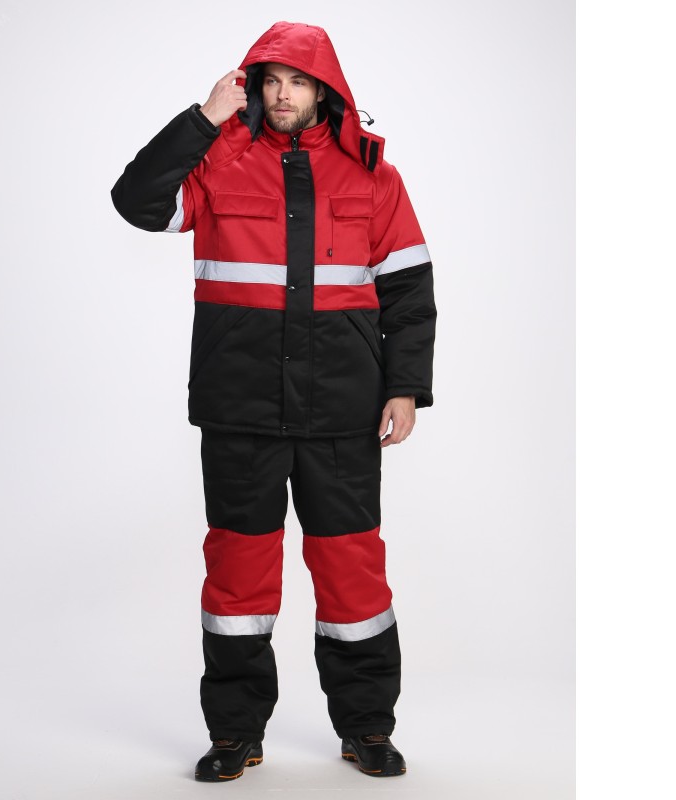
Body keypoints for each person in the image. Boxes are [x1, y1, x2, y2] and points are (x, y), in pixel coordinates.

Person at [110, 20, 436, 782]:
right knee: (237, 579)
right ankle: (235, 734)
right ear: (251, 87)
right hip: (240, 405)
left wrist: (404, 387)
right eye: (270, 81)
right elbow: (136, 202)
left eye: (297, 81)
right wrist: (203, 119)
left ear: (326, 90)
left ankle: (366, 727)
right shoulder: (217, 162)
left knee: (353, 573)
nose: (282, 94)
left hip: (342, 409)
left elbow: (408, 290)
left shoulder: (374, 177)